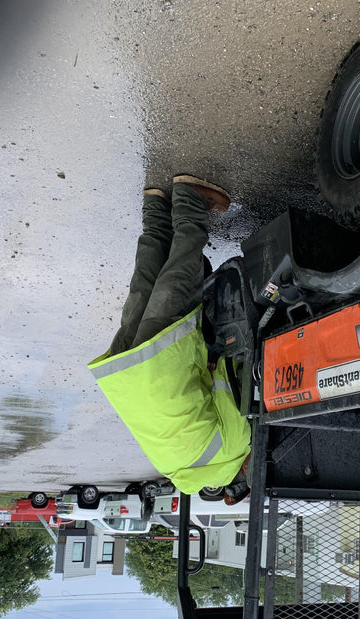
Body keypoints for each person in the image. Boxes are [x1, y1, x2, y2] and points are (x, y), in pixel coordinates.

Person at [88, 175, 250, 503]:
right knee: (144, 288)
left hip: (161, 363)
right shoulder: (175, 470)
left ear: (245, 472)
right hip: (125, 374)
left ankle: (190, 200)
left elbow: (225, 378)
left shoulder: (235, 448)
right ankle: (155, 209)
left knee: (178, 284)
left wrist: (215, 358)